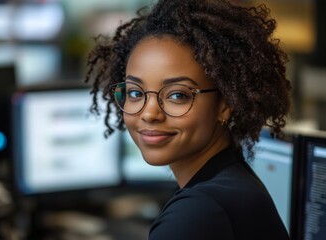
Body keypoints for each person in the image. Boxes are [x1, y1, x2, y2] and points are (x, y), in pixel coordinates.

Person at [84, 0, 291, 239]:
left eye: (177, 95)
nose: (150, 113)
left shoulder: (200, 211)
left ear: (225, 105)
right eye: (135, 93)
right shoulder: (231, 185)